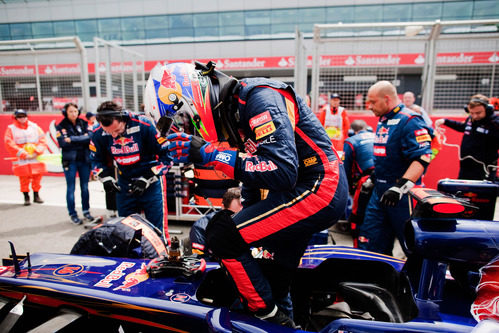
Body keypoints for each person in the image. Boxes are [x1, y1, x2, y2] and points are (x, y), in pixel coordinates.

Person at [144, 61, 348, 327]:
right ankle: (287, 323)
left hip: (319, 187)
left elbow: (282, 170)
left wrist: (208, 153)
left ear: (191, 99)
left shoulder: (260, 97)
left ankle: (267, 316)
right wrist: (249, 208)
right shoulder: (234, 109)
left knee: (221, 234)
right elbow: (254, 167)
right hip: (301, 189)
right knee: (274, 278)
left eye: (184, 120)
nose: (189, 130)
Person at [358, 81, 433, 255]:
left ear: (387, 99)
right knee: (370, 243)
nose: (369, 107)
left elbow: (422, 158)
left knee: (412, 247)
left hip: (401, 195)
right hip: (380, 192)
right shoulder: (383, 119)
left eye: (372, 102)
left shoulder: (410, 120)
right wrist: (373, 178)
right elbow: (387, 156)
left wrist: (401, 187)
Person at [89, 101, 171, 243]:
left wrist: (147, 178)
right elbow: (95, 160)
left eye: (118, 130)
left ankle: (161, 258)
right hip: (124, 183)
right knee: (125, 230)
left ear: (123, 119)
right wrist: (106, 178)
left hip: (152, 182)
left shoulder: (144, 125)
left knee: (157, 231)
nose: (114, 136)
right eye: (110, 132)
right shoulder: (97, 132)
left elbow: (167, 157)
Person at [435, 94, 499, 181]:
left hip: (484, 169)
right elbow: (463, 127)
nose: (475, 116)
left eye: (478, 113)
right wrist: (445, 121)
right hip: (466, 165)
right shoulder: (471, 119)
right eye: (472, 113)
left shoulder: (495, 123)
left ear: (488, 110)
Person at [55, 103, 95, 225]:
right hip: (70, 161)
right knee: (71, 188)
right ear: (65, 113)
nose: (73, 113)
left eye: (75, 111)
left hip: (84, 159)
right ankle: (73, 214)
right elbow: (63, 143)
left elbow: (90, 137)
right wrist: (81, 138)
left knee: (85, 187)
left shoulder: (83, 123)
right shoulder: (61, 126)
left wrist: (72, 139)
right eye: (71, 111)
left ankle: (86, 211)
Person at [4, 109, 47, 205]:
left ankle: (36, 195)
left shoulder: (34, 127)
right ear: (15, 118)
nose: (22, 118)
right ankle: (26, 196)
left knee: (37, 177)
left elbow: (42, 140)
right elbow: (9, 143)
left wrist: (37, 152)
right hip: (21, 159)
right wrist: (23, 154)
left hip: (35, 157)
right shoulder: (11, 129)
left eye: (23, 116)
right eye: (19, 116)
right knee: (24, 179)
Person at [342, 120, 374, 243]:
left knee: (357, 215)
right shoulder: (377, 136)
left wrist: (349, 188)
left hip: (366, 180)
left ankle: (359, 243)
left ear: (352, 131)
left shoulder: (351, 141)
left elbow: (346, 168)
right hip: (386, 179)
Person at [190, 187, 243, 258]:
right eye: (232, 215)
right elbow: (201, 260)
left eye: (242, 215)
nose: (238, 219)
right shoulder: (200, 228)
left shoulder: (251, 223)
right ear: (223, 207)